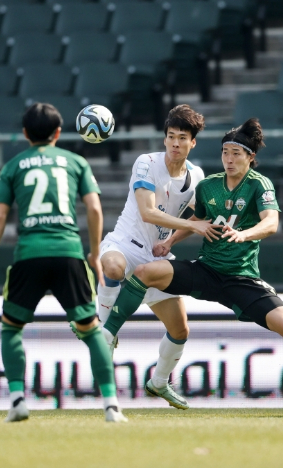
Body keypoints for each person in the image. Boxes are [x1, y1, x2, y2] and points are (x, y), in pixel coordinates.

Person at [102, 118, 283, 414]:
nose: (229, 159)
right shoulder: (208, 186)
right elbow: (196, 222)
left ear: (251, 158)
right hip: (207, 270)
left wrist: (245, 234)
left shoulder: (259, 185)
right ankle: (107, 334)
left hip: (241, 278)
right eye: (225, 152)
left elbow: (271, 222)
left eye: (236, 154)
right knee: (146, 272)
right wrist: (170, 243)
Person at [0, 103, 126, 423]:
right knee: (90, 329)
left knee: (11, 328)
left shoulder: (13, 166)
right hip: (68, 253)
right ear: (58, 133)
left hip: (29, 254)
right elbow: (95, 210)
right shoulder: (76, 162)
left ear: (25, 134)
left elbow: (0, 215)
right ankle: (111, 404)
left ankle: (17, 399)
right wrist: (95, 253)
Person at [82, 104, 217, 410]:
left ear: (192, 142)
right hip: (124, 245)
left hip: (155, 259)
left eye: (182, 138)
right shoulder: (146, 163)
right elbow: (147, 211)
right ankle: (104, 332)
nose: (174, 143)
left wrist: (171, 240)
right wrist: (192, 226)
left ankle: (159, 382)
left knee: (180, 329)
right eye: (170, 136)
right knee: (113, 267)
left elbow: (198, 215)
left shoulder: (196, 176)